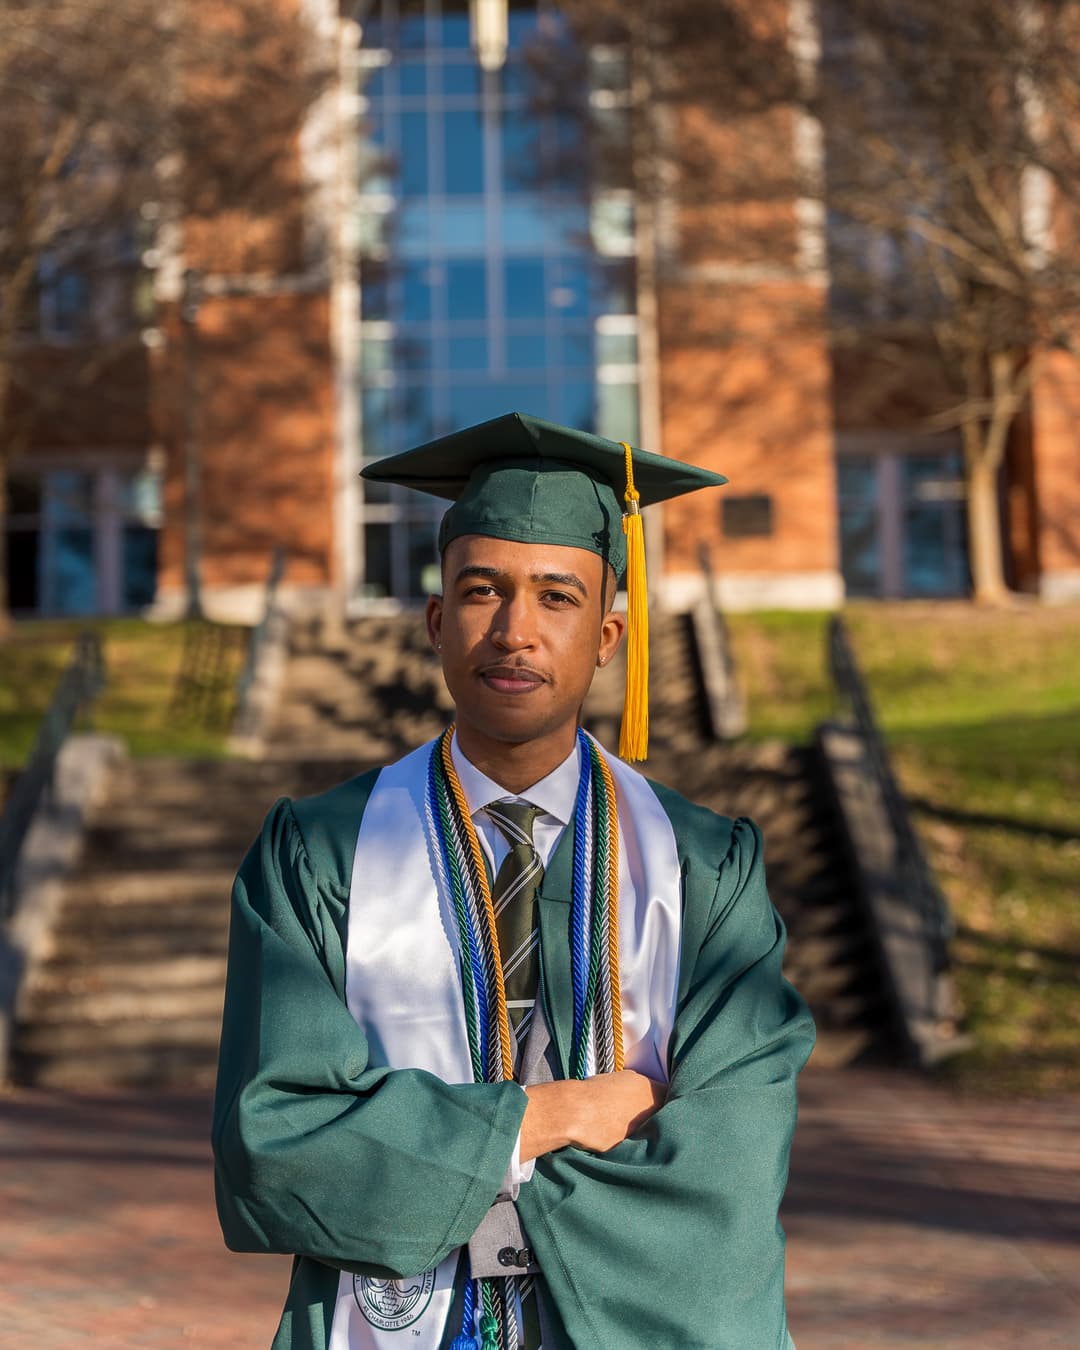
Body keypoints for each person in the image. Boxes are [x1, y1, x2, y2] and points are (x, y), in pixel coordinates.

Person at [212, 412, 815, 1350]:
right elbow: (276, 1143)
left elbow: (728, 1163)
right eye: (482, 591)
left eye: (557, 597)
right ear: (436, 620)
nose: (515, 632)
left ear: (610, 633)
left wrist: (424, 1150)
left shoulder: (704, 867)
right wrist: (554, 1115)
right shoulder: (318, 855)